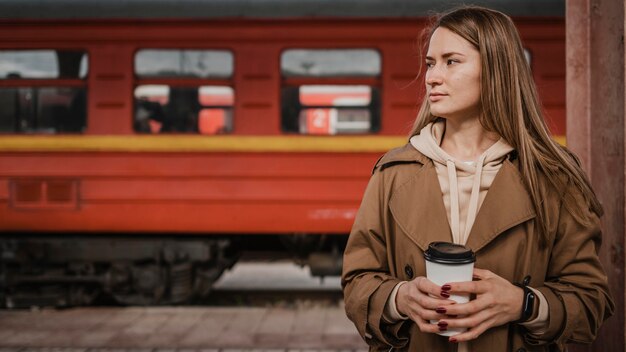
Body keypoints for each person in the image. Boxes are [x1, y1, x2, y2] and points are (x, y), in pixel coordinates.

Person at [341, 6, 614, 352]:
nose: (431, 77)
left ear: (496, 69)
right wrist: (400, 297)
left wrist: (523, 303)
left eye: (451, 61)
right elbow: (356, 284)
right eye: (430, 63)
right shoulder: (393, 173)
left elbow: (591, 301)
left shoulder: (553, 178)